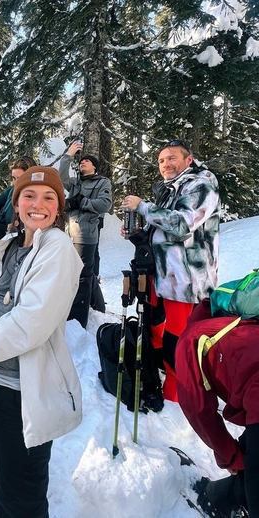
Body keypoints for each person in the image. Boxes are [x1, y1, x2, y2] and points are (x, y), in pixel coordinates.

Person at [0, 166, 84, 518]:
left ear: (58, 208)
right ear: (17, 201)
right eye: (29, 195)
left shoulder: (58, 248)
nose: (38, 204)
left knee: (21, 494)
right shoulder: (5, 247)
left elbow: (29, 325)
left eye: (48, 197)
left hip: (24, 394)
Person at [121, 139, 220, 402]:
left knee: (178, 339)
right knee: (155, 329)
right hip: (161, 275)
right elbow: (163, 228)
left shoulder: (201, 185)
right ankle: (155, 380)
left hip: (186, 280)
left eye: (172, 158)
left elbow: (181, 225)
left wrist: (142, 206)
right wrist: (140, 234)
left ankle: (177, 397)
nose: (166, 164)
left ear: (188, 160)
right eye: (162, 160)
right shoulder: (170, 189)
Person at [176, 298, 259, 518]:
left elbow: (199, 413)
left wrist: (230, 456)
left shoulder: (188, 344)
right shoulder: (234, 316)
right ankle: (231, 498)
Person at [58, 140, 112, 328]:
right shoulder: (75, 183)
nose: (83, 162)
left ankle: (77, 321)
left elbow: (105, 204)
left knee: (82, 276)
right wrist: (68, 155)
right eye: (82, 161)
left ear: (95, 167)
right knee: (84, 272)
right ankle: (98, 306)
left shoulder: (102, 182)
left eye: (87, 161)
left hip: (86, 235)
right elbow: (60, 177)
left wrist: (81, 202)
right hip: (69, 234)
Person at [0, 156, 37, 274]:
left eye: (19, 178)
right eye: (13, 178)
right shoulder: (11, 191)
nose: (16, 182)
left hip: (15, 250)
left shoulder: (34, 196)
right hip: (0, 244)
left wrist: (7, 228)